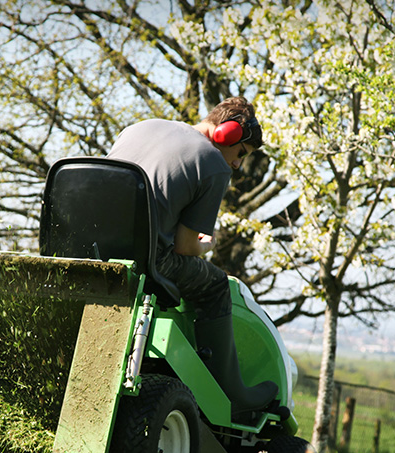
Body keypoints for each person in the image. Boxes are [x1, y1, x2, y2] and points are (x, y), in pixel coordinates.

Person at [107, 96, 277, 422]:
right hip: (145, 260)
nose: (239, 164)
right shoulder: (212, 162)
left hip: (89, 247)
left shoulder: (140, 127)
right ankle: (234, 395)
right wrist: (207, 246)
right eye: (241, 153)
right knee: (214, 284)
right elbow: (185, 247)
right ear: (225, 134)